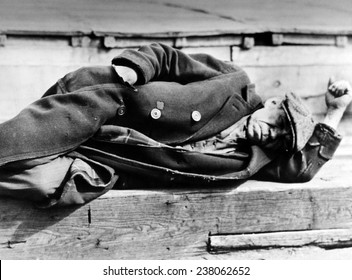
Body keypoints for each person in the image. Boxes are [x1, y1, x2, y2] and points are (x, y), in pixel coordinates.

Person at [0, 43, 350, 207]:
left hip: (109, 158)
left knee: (41, 182)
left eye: (280, 138)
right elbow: (168, 57)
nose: (271, 133)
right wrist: (137, 68)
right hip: (103, 106)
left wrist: (334, 112)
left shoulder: (250, 159)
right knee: (20, 147)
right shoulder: (232, 82)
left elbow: (301, 169)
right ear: (273, 103)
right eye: (278, 122)